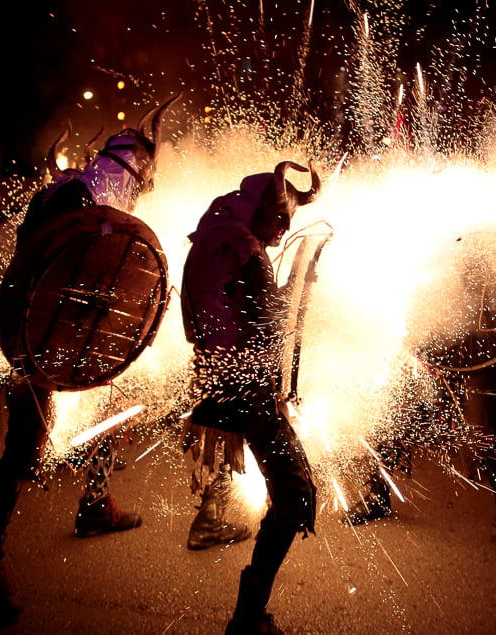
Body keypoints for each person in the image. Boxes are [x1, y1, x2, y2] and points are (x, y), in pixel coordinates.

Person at [0, 114, 175, 626]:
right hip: (40, 338)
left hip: (54, 336)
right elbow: (59, 268)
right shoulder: (83, 200)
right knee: (22, 449)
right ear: (137, 166)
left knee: (118, 407)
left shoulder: (75, 189)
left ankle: (96, 500)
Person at [181, 160, 320, 634]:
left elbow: (247, 310)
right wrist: (302, 289)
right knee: (297, 496)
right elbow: (267, 324)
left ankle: (248, 612)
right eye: (281, 219)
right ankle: (247, 618)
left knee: (290, 492)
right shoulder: (246, 249)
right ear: (263, 208)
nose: (284, 229)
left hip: (223, 386)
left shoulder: (222, 236)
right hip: (249, 394)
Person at [348, 364, 496, 572]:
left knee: (489, 432)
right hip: (422, 353)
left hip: (473, 357)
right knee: (392, 416)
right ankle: (377, 496)